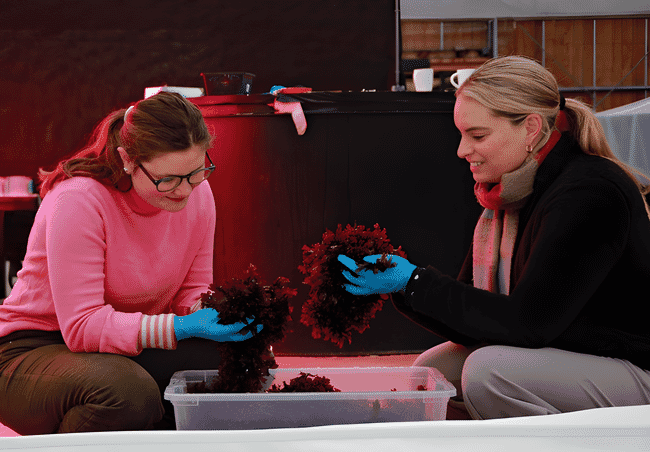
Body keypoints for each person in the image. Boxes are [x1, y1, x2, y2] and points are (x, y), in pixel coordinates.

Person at [338, 56, 650, 420]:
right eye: (462, 134)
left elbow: (529, 323)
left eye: (478, 135)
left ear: (531, 128)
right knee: (434, 372)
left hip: (635, 365)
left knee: (489, 373)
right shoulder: (510, 195)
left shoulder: (590, 193)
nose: (461, 150)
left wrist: (416, 281)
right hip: (575, 351)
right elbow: (474, 320)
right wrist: (403, 287)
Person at [0, 92, 260, 434]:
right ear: (127, 160)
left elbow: (191, 290)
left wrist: (217, 311)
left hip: (115, 351)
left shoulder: (197, 194)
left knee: (235, 362)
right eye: (166, 179)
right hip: (31, 351)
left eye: (197, 172)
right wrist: (183, 327)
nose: (184, 191)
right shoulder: (78, 201)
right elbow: (82, 328)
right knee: (127, 394)